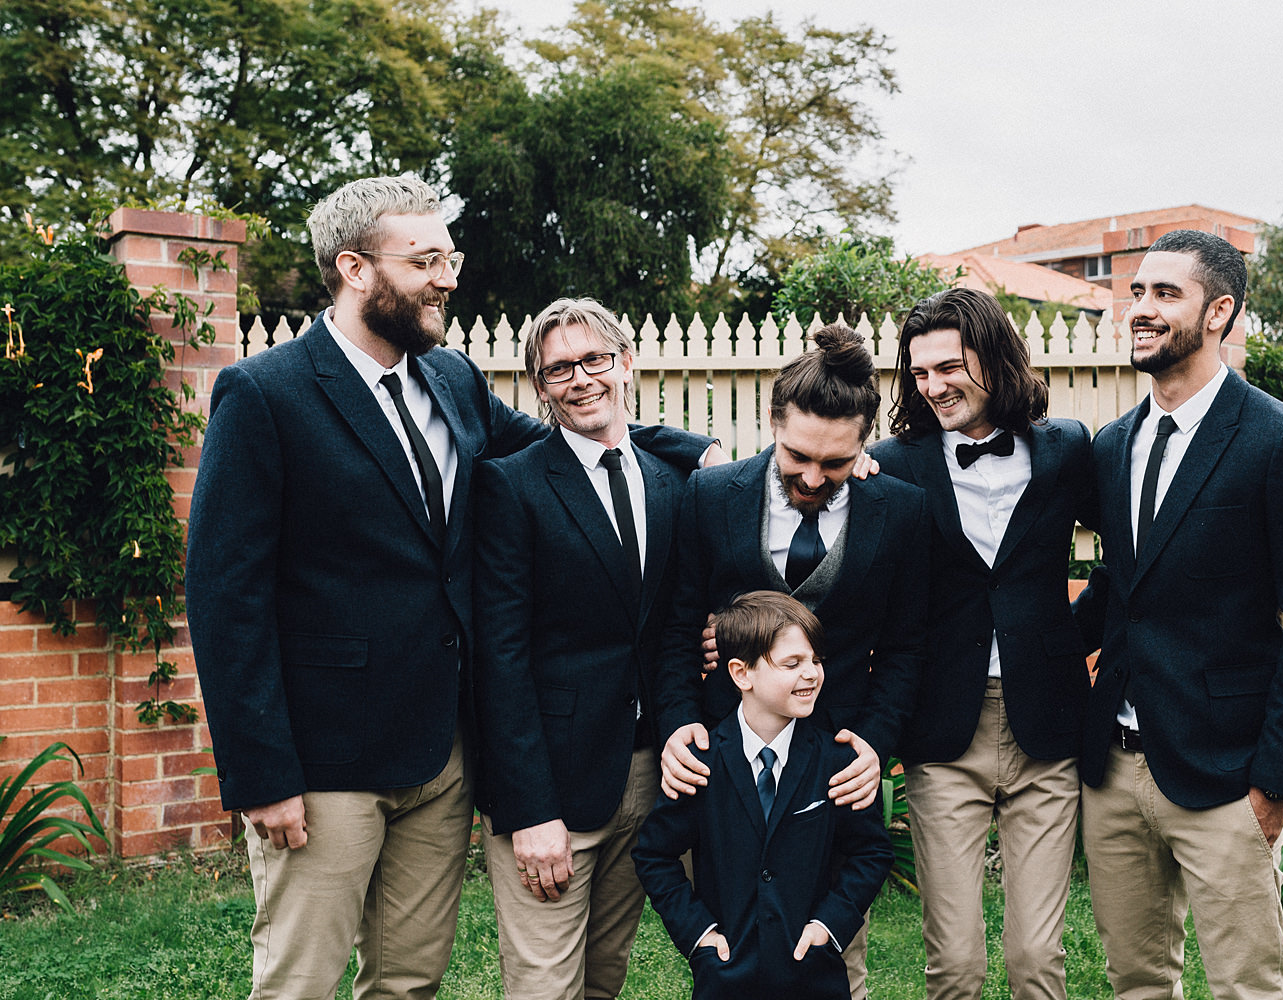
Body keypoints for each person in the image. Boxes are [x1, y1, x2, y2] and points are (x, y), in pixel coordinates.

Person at [185, 175, 712, 1000]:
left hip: (440, 754)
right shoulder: (266, 393)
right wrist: (261, 773)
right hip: (326, 762)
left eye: (449, 256)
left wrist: (700, 452)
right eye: (426, 259)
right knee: (300, 981)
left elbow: (568, 443)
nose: (448, 277)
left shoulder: (452, 379)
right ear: (356, 268)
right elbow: (224, 595)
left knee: (410, 979)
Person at [1077, 229, 1283, 1000]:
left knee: (1248, 987)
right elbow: (1121, 586)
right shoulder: (1113, 445)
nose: (1142, 307)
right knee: (1135, 980)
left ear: (1219, 312)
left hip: (1229, 775)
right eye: (1137, 291)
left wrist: (1274, 781)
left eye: (1166, 294)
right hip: (1115, 768)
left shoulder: (1282, 439)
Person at [654, 323, 929, 999]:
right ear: (772, 422)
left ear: (866, 445)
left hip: (832, 756)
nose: (812, 478)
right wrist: (679, 726)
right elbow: (674, 627)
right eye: (797, 456)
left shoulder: (900, 512)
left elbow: (905, 647)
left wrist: (872, 742)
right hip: (731, 752)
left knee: (832, 951)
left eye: (835, 465)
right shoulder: (712, 497)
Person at [869, 287, 1097, 1000]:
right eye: (920, 373)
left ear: (994, 359)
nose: (932, 386)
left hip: (1047, 732)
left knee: (1036, 960)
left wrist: (1068, 636)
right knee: (956, 965)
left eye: (948, 367)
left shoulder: (1066, 450)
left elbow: (1131, 554)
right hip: (945, 735)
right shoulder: (894, 463)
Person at [469, 298, 694, 999]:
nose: (580, 378)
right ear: (539, 387)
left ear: (626, 362)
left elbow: (674, 629)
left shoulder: (671, 481)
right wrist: (531, 810)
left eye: (594, 359)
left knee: (603, 978)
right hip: (553, 787)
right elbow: (498, 658)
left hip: (646, 777)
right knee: (545, 986)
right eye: (559, 368)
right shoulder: (510, 486)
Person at [634, 591, 893, 1000]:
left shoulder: (837, 760)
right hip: (725, 979)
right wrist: (698, 935)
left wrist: (829, 926)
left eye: (816, 660)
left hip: (813, 978)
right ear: (741, 674)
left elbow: (872, 852)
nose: (811, 673)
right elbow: (654, 854)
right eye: (792, 663)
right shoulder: (701, 762)